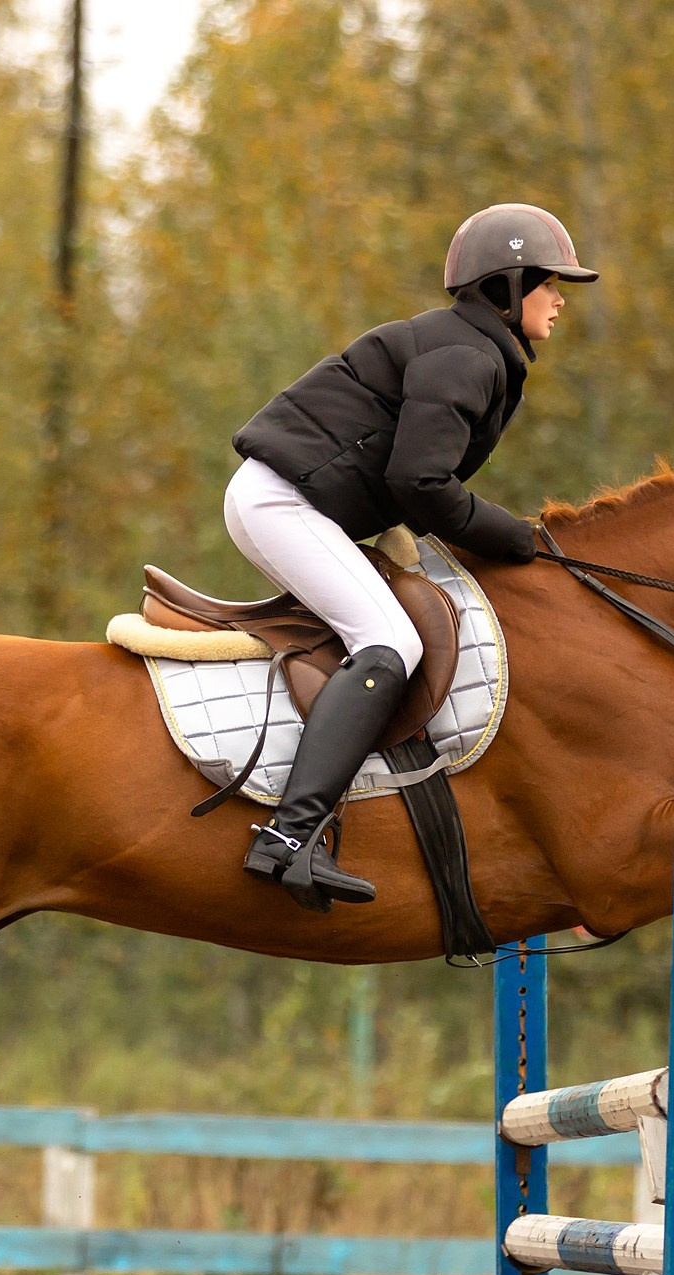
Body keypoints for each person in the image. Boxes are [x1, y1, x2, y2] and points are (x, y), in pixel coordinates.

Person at [225, 203, 597, 911]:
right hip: (280, 501)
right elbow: (419, 481)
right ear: (508, 287)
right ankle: (291, 834)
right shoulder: (468, 355)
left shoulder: (475, 349)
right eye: (551, 283)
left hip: (295, 499)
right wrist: (518, 537)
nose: (560, 300)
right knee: (390, 639)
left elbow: (412, 482)